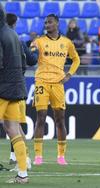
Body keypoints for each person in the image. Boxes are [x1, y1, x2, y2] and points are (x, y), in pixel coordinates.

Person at [30, 14, 80, 166]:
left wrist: (69, 75)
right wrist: (31, 50)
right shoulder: (39, 41)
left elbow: (76, 59)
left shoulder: (67, 42)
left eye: (50, 22)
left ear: (57, 24)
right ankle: (38, 156)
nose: (47, 24)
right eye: (45, 22)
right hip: (41, 82)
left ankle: (61, 156)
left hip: (58, 83)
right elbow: (31, 56)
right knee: (41, 117)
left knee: (60, 119)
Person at [0, 5, 29, 184]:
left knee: (12, 130)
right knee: (12, 130)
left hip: (2, 87)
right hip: (16, 87)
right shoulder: (12, 33)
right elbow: (24, 62)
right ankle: (23, 174)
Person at [6, 13, 37, 168]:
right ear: (15, 23)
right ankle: (25, 159)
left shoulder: (4, 39)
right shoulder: (19, 40)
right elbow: (32, 60)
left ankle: (22, 159)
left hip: (5, 87)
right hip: (18, 86)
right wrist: (34, 50)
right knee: (16, 125)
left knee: (13, 126)